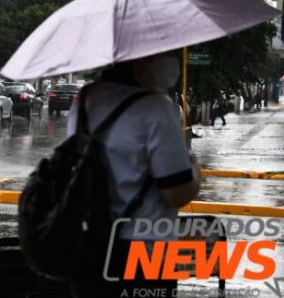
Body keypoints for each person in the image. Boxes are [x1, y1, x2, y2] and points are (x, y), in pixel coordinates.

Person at [67, 52, 202, 298]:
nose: (172, 63)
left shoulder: (85, 99)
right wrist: (195, 169)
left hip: (88, 245)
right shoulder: (157, 108)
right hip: (146, 254)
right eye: (164, 55)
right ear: (141, 61)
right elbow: (177, 193)